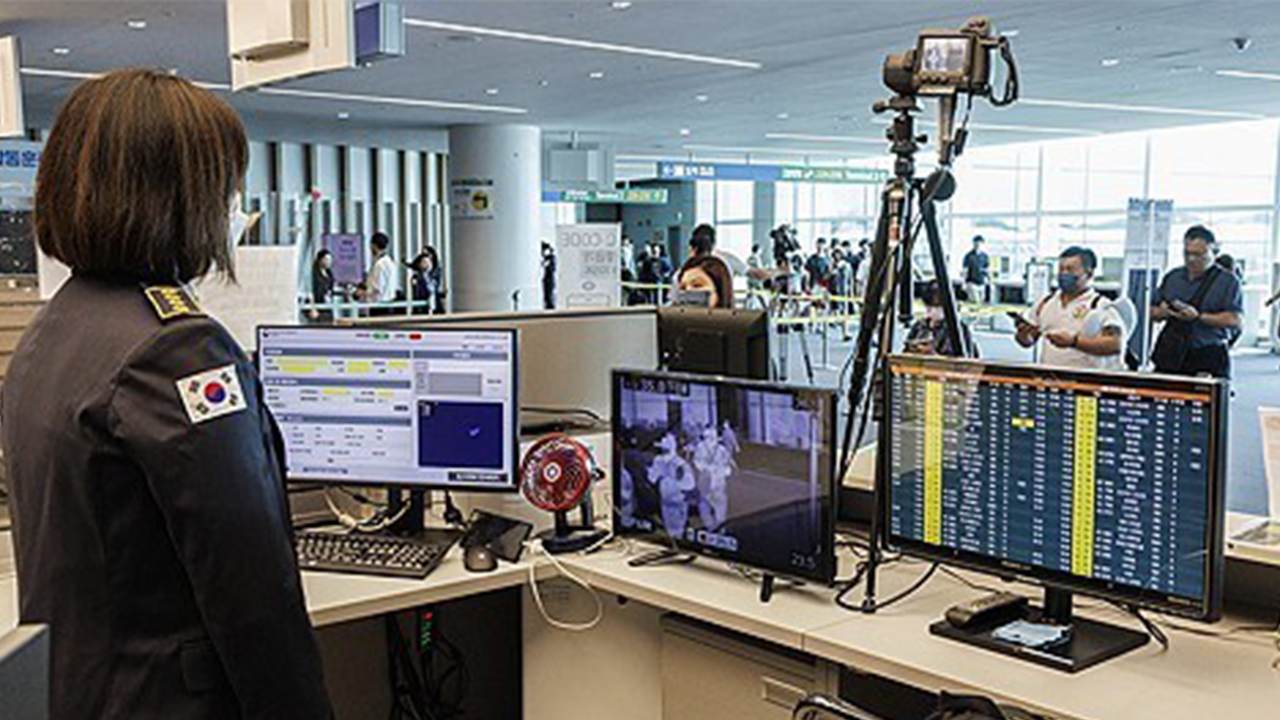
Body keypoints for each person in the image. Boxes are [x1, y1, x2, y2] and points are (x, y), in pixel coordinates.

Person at [0, 69, 332, 720]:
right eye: (226, 186)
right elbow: (254, 599)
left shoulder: (55, 327)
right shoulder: (177, 351)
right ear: (186, 197)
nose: (233, 207)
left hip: (74, 691)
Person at [1150, 225, 1243, 378]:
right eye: (1187, 254)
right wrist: (1162, 312)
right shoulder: (1173, 277)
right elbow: (1151, 311)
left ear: (1213, 251)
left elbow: (1234, 320)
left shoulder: (1228, 281)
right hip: (1172, 352)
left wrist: (1198, 317)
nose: (1191, 259)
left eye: (1199, 255)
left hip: (1207, 352)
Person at [1015, 246, 1125, 369]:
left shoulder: (1100, 305)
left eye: (1070, 269)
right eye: (1061, 269)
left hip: (1083, 378)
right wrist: (1023, 335)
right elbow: (1028, 341)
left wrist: (1074, 342)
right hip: (1049, 376)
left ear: (1089, 274)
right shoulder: (1045, 303)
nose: (1064, 274)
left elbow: (1115, 345)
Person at [905, 280, 975, 357]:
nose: (930, 310)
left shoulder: (958, 330)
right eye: (928, 306)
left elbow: (964, 360)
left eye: (936, 307)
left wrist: (933, 355)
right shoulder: (919, 326)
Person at [649, 432, 696, 539]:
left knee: (678, 530)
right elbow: (652, 478)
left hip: (678, 503)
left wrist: (675, 485)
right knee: (670, 529)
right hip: (666, 502)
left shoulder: (680, 464)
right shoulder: (659, 461)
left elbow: (690, 484)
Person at [360, 231, 397, 307]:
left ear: (374, 245)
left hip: (379, 304)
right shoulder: (390, 262)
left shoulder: (379, 265)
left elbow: (377, 288)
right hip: (390, 302)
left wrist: (361, 293)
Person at [408, 246, 445, 315]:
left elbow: (435, 288)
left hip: (435, 307)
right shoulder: (417, 276)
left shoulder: (435, 272)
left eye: (427, 255)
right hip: (422, 307)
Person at [962, 236, 990, 305]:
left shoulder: (985, 256)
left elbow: (987, 269)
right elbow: (965, 270)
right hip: (971, 282)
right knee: (975, 302)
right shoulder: (969, 256)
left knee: (981, 302)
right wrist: (964, 283)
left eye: (979, 243)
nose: (977, 245)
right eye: (976, 243)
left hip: (981, 283)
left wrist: (988, 279)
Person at [309, 248, 335, 322]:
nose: (329, 262)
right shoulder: (314, 274)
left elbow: (331, 288)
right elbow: (311, 291)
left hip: (328, 304)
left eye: (330, 260)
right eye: (326, 259)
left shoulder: (329, 273)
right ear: (320, 260)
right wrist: (312, 307)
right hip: (318, 305)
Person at [541, 241, 557, 310]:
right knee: (547, 292)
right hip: (547, 278)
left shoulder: (550, 258)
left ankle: (550, 304)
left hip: (549, 278)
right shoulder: (548, 258)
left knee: (549, 291)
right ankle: (548, 303)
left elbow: (546, 266)